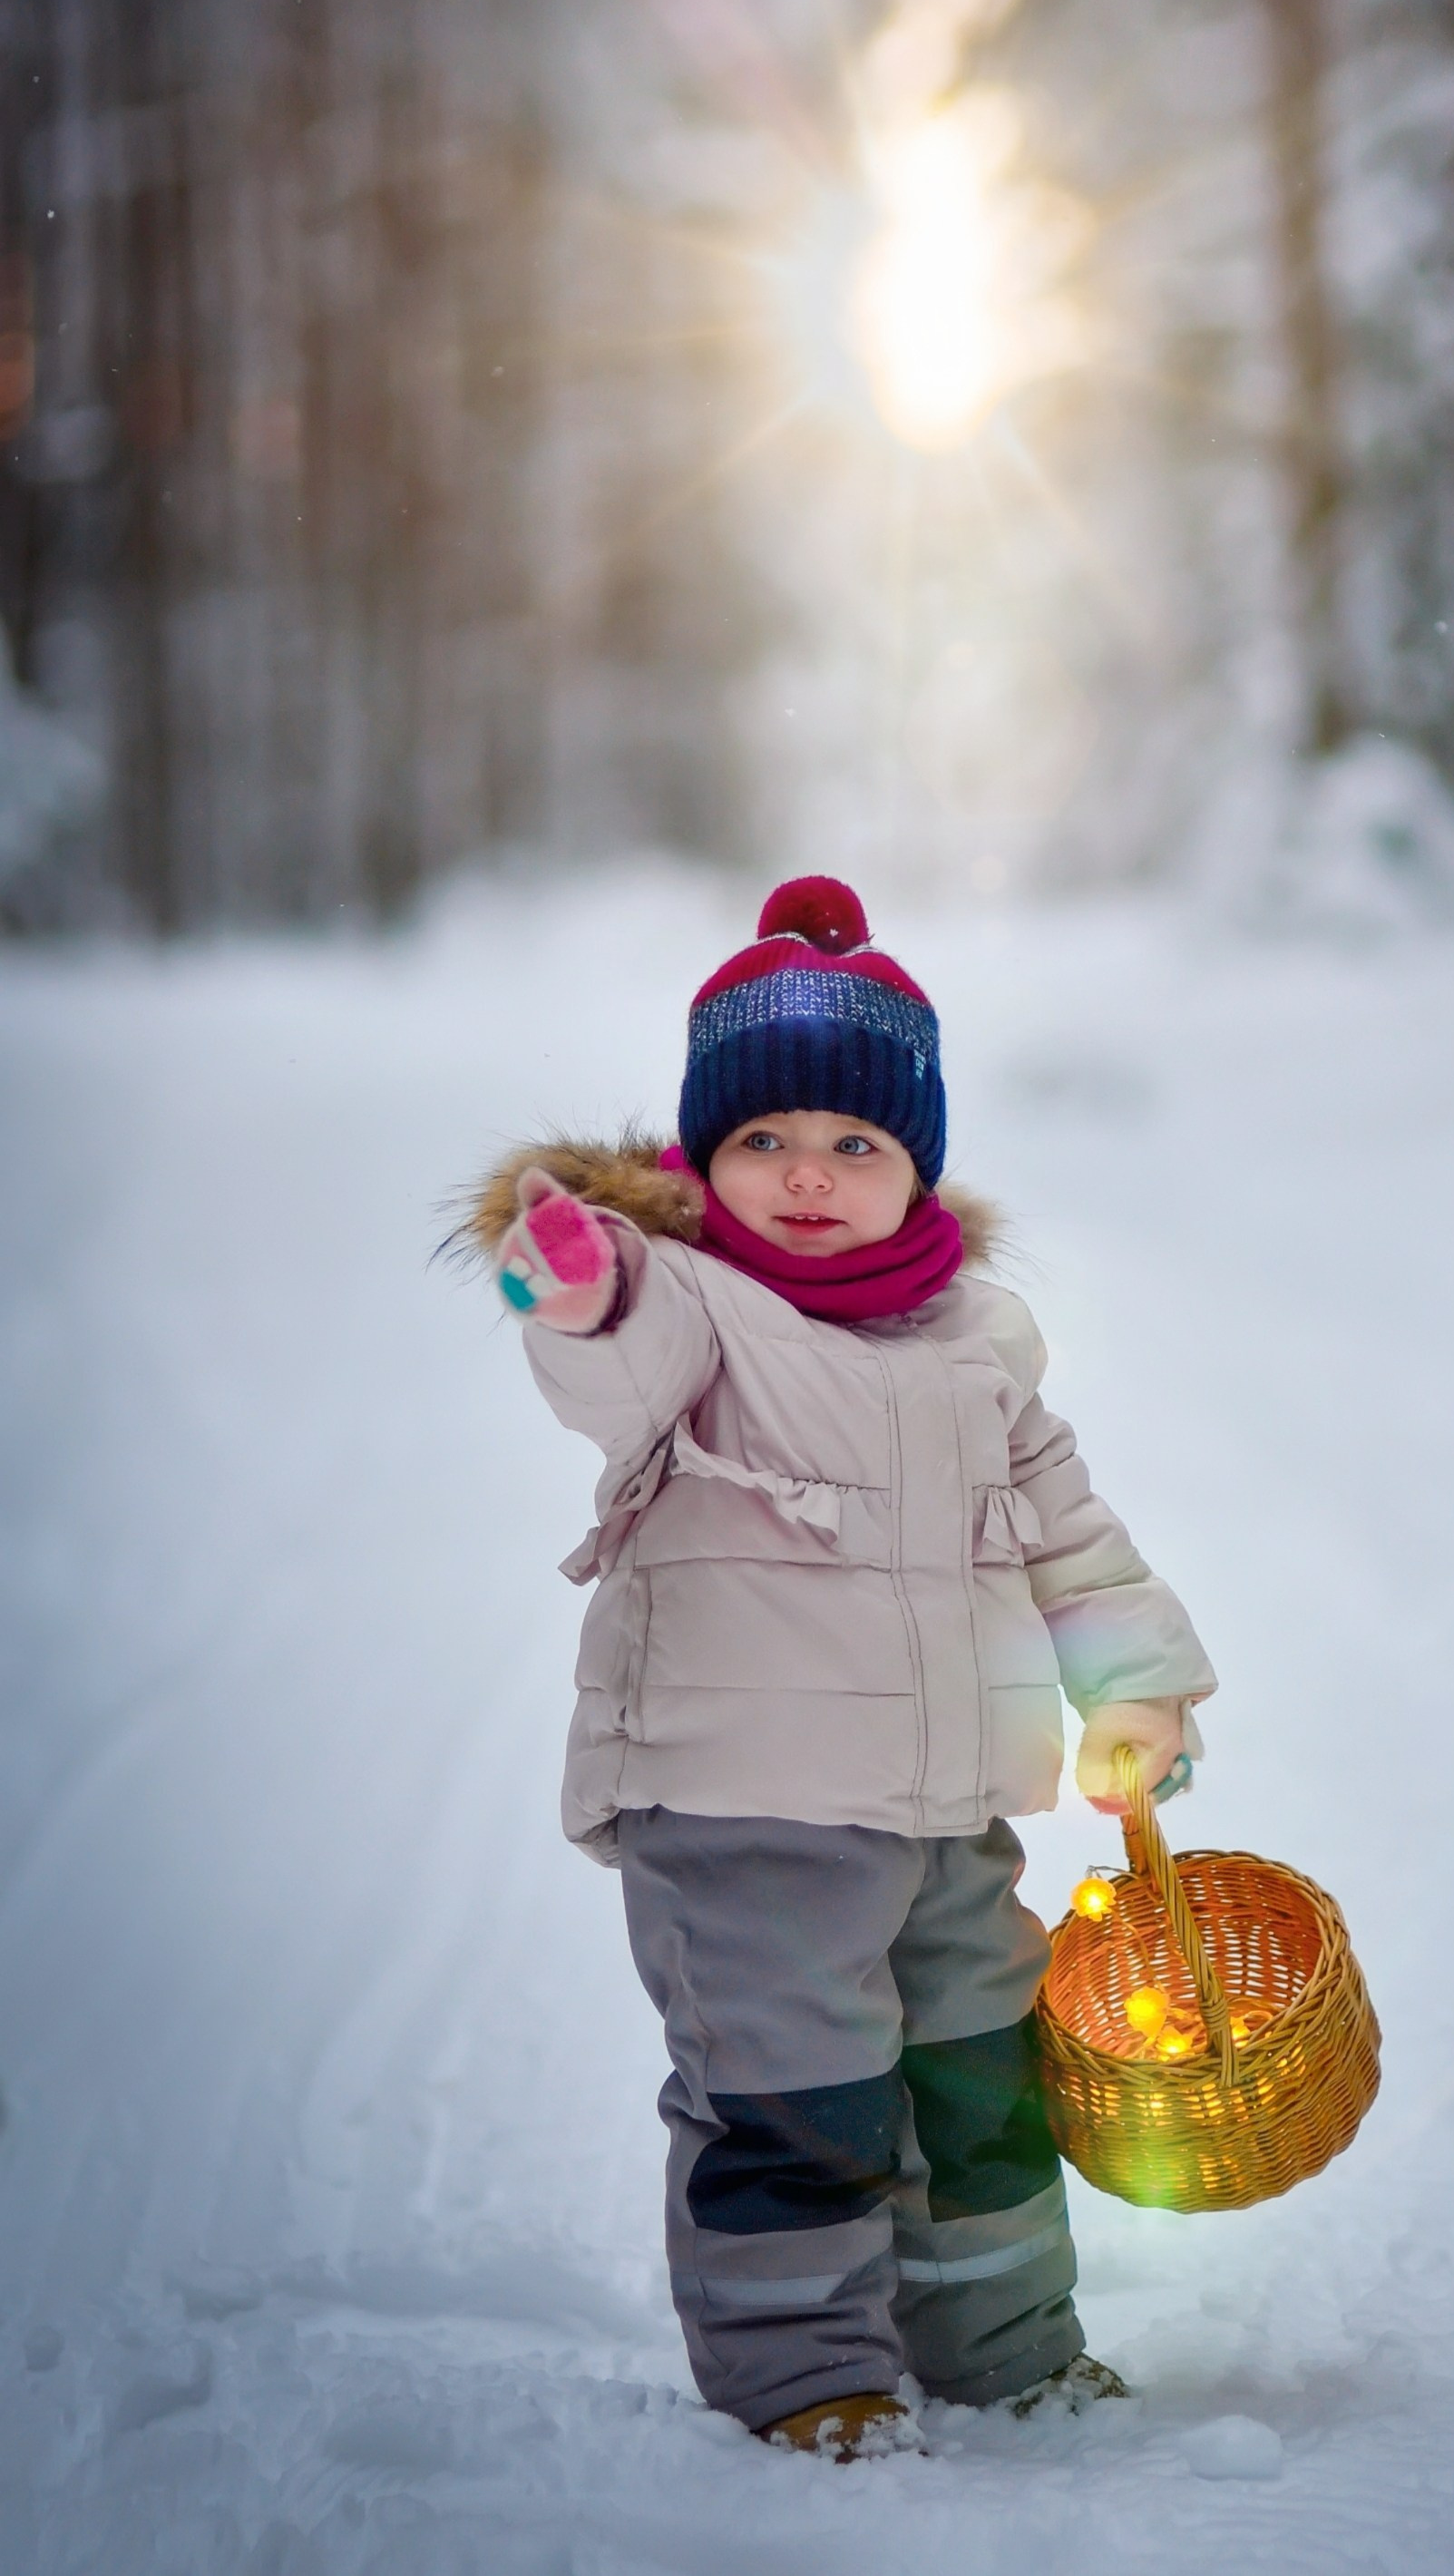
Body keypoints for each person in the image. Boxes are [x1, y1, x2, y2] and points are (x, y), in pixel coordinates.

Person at [471, 875, 1216, 2459]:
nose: (808, 1176)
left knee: (982, 2083)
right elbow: (599, 1340)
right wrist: (572, 1279)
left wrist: (1136, 1685)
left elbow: (1075, 1538)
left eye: (854, 1145)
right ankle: (809, 2376)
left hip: (948, 1810)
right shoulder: (689, 1307)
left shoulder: (975, 1344)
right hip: (749, 1813)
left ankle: (1004, 2341)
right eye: (763, 1142)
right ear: (704, 1162)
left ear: (915, 1163)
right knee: (797, 2101)